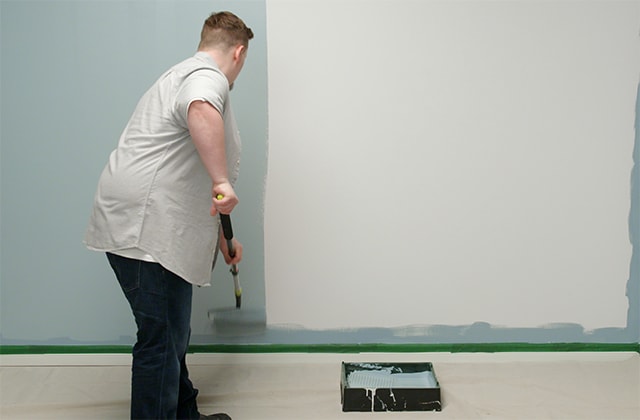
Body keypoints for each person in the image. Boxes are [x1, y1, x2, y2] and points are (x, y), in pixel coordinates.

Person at [84, 11, 253, 420]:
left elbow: (185, 172)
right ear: (239, 52)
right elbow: (200, 109)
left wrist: (222, 239)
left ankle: (183, 414)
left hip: (143, 220)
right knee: (161, 337)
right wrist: (221, 180)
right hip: (146, 227)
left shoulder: (180, 73)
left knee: (171, 332)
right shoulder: (206, 77)